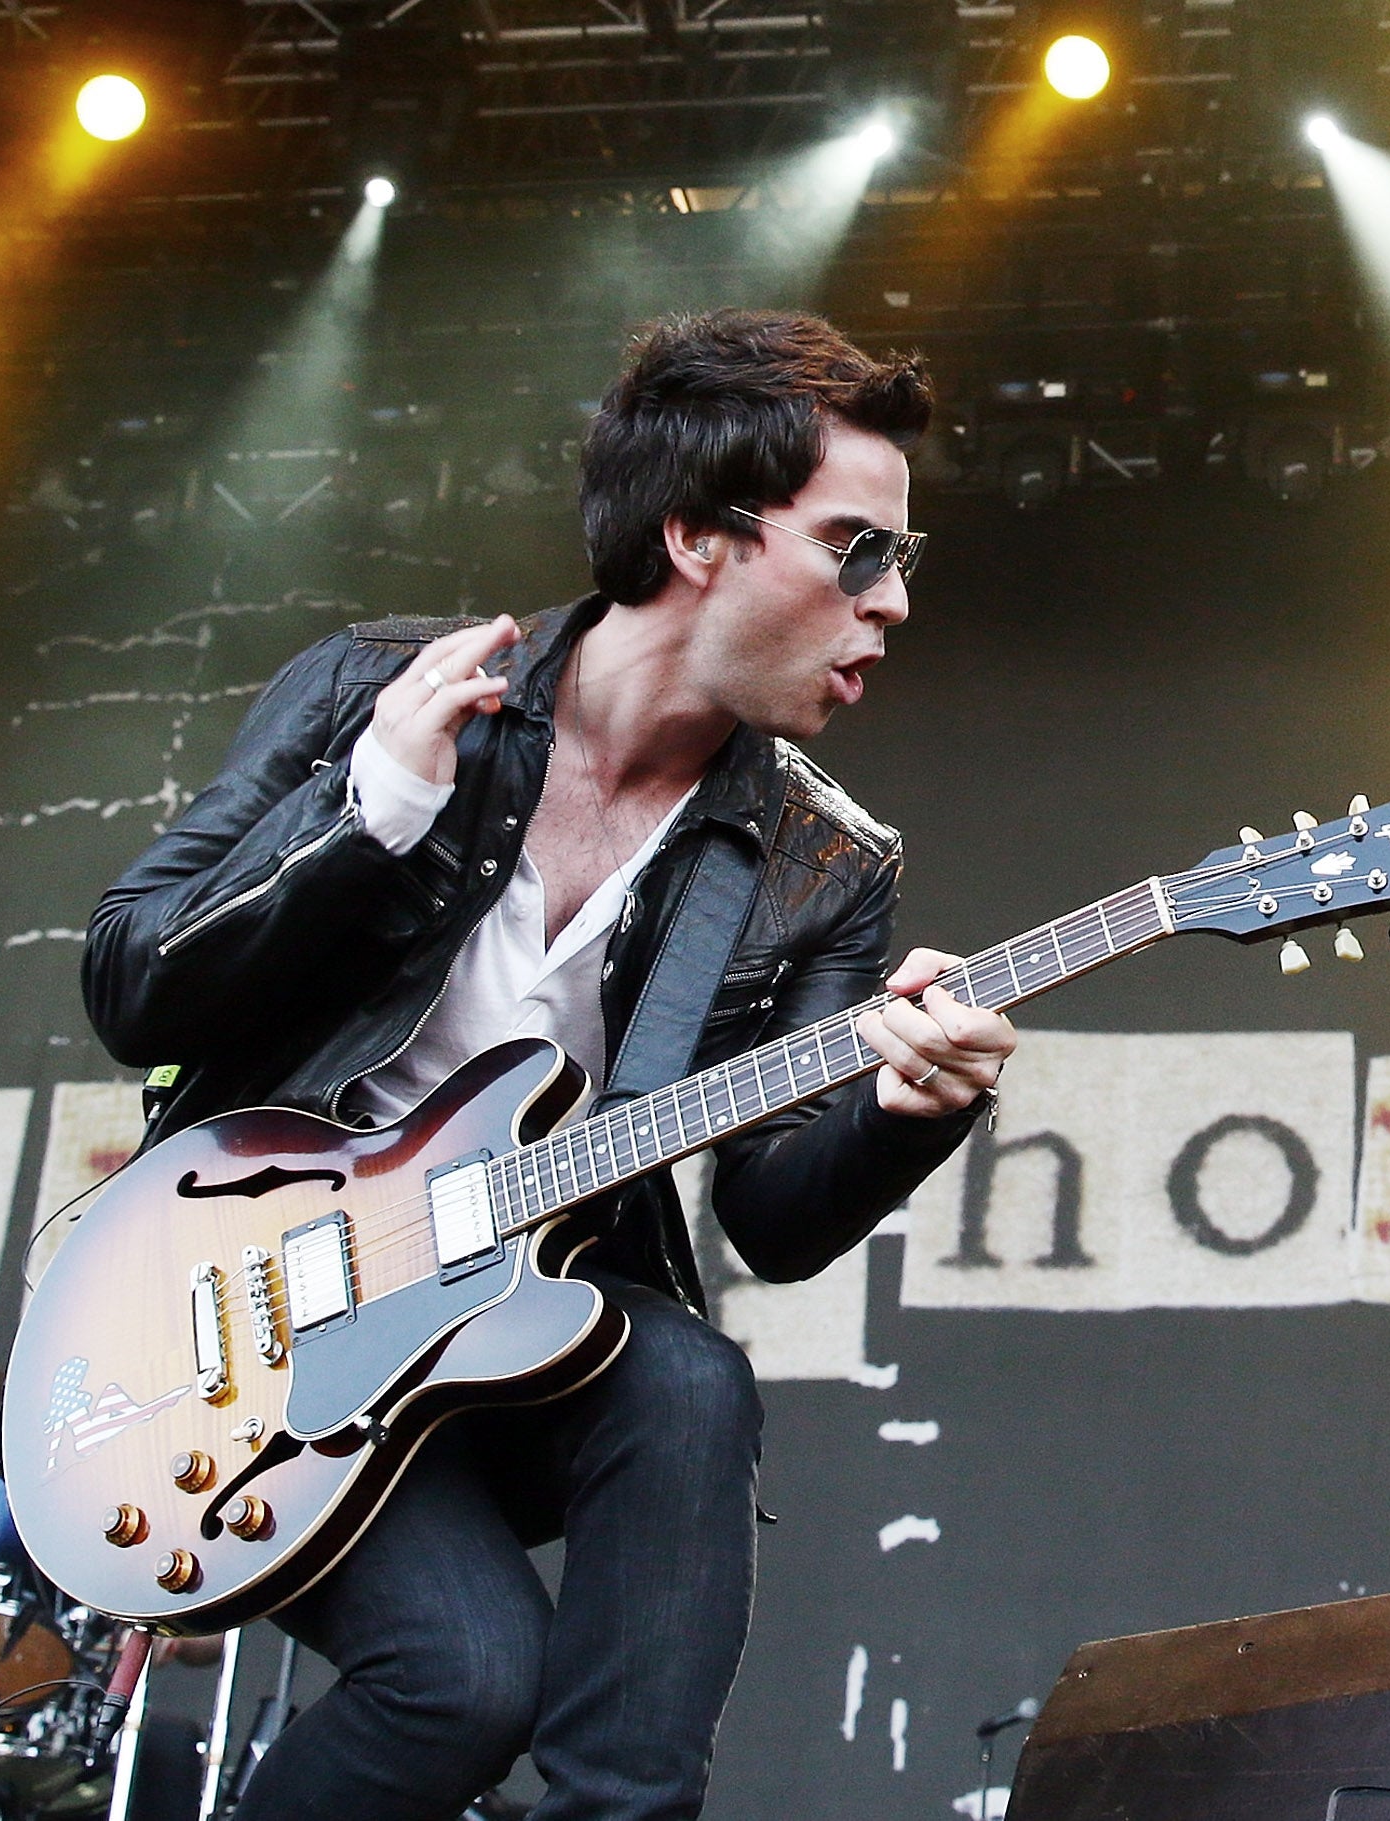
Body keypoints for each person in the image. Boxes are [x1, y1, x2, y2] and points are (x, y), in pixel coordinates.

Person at [82, 309, 1017, 1821]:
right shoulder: (376, 694)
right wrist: (371, 808)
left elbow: (774, 1221)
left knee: (688, 1379)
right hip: (248, 1321)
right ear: (699, 537)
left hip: (521, 1326)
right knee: (459, 1683)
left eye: (904, 558)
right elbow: (134, 982)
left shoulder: (824, 864)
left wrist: (910, 1111)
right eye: (857, 549)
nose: (894, 601)